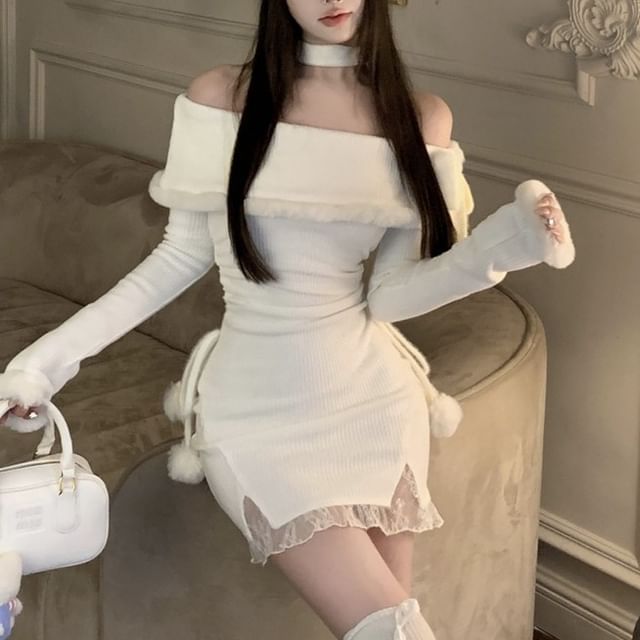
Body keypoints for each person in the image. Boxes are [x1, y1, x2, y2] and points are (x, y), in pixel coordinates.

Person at [0, 0, 575, 638]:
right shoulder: (220, 98)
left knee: (389, 627)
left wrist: (503, 248)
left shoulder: (421, 119)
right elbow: (176, 259)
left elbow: (391, 296)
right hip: (256, 411)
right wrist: (41, 365)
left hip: (377, 403)